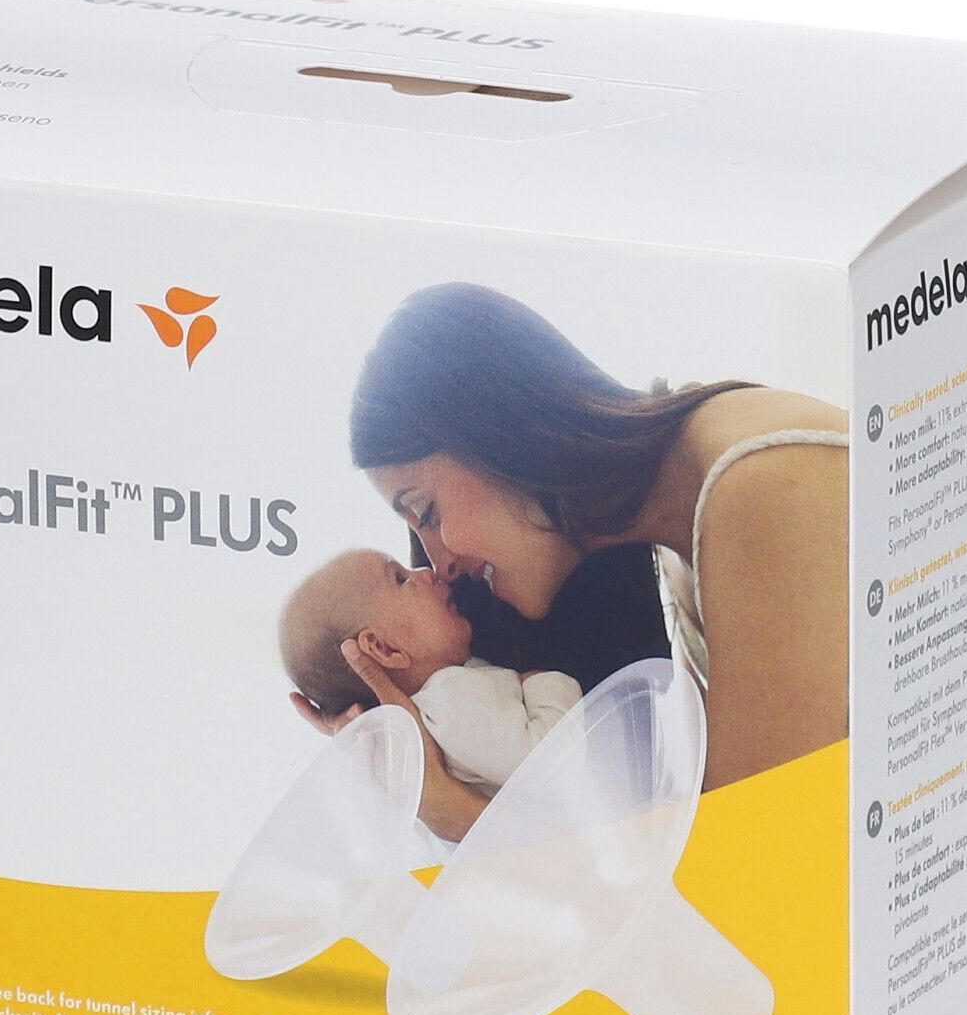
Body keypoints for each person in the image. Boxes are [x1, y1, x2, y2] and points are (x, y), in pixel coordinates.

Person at [292, 282, 849, 842]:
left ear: (500, 437)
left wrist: (451, 810)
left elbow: (754, 860)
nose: (439, 566)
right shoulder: (678, 522)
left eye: (427, 512)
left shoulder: (764, 488)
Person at [280, 547, 582, 799]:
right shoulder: (450, 701)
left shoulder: (423, 729)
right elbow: (552, 764)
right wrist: (542, 681)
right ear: (384, 649)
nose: (426, 572)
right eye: (401, 579)